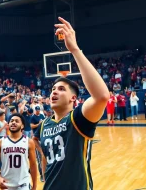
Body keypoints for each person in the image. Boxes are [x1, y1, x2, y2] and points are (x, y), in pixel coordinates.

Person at [33, 17, 109, 190]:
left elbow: (102, 96)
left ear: (73, 98)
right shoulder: (44, 124)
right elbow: (43, 153)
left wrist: (74, 50)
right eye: (53, 89)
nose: (54, 91)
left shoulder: (77, 119)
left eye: (61, 89)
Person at [0, 113, 37, 190]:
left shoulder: (29, 142)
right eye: (11, 121)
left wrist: (34, 186)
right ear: (8, 124)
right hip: (6, 185)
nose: (13, 122)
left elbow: (33, 165)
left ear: (22, 126)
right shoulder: (0, 142)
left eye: (16, 121)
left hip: (23, 185)